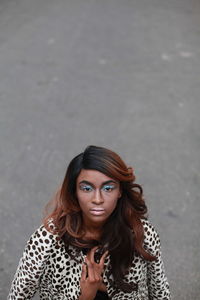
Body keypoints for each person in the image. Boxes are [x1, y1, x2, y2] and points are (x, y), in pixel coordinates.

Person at [8, 145, 171, 300]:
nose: (98, 199)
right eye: (87, 189)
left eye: (108, 189)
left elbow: (160, 292)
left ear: (120, 191)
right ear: (74, 192)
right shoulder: (48, 239)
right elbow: (18, 295)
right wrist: (85, 296)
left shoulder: (142, 234)